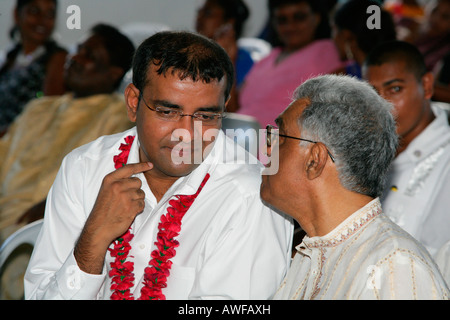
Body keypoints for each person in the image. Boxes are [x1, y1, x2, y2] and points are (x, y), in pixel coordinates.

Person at [24, 31, 293, 300]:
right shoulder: (83, 168)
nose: (186, 133)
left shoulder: (253, 196)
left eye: (206, 115)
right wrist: (92, 241)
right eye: (167, 111)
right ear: (133, 103)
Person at [260, 74, 449, 299]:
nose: (268, 149)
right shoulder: (311, 254)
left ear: (315, 159)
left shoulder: (394, 265)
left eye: (280, 137)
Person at [0, 24, 135, 244]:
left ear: (113, 73)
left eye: (88, 55)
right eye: (77, 50)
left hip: (47, 228)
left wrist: (54, 203)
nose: (74, 58)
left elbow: (107, 174)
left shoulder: (121, 116)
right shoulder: (38, 108)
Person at [362, 41, 450, 271]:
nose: (383, 107)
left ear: (427, 85)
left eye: (395, 89)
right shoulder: (363, 151)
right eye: (373, 94)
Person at [238, 0, 342, 127]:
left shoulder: (327, 49)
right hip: (237, 135)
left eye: (299, 17)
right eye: (282, 20)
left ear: (317, 17)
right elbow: (233, 105)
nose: (290, 26)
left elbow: (335, 109)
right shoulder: (267, 58)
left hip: (282, 141)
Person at [0, 0, 67, 136]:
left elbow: (48, 111)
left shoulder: (57, 58)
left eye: (49, 14)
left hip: (23, 143)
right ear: (17, 14)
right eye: (34, 11)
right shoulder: (10, 58)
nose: (42, 21)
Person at [332, 0, 397, 78]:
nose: (334, 39)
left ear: (347, 35)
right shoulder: (406, 70)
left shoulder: (340, 79)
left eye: (335, 31)